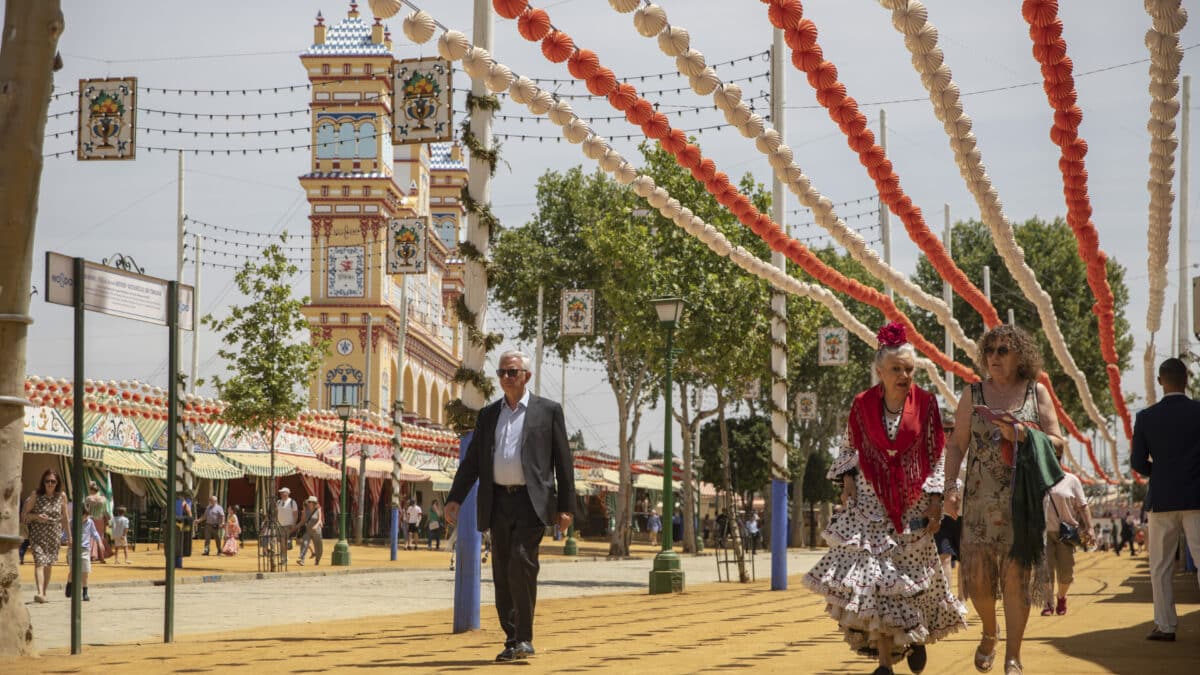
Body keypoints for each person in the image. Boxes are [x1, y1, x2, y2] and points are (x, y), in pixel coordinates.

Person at [804, 322, 967, 675]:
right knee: (878, 581)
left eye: (909, 369)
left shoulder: (926, 404)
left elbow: (936, 452)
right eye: (897, 369)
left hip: (915, 501)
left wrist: (938, 498)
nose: (905, 375)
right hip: (870, 502)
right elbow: (848, 446)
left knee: (914, 578)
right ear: (880, 371)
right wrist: (847, 481)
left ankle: (918, 637)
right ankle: (883, 663)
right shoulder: (861, 405)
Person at [944, 324, 1066, 675]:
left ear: (1020, 356)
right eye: (990, 350)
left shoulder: (1035, 392)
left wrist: (1026, 433)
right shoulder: (973, 393)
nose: (994, 357)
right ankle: (989, 631)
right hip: (980, 502)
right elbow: (956, 444)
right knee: (980, 582)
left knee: (1017, 580)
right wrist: (950, 487)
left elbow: (1058, 442)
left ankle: (1013, 656)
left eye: (1003, 350)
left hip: (1021, 502)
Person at [444, 350, 575, 663]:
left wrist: (566, 507)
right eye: (502, 372)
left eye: (512, 372)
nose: (505, 377)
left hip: (532, 502)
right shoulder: (489, 415)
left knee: (521, 562)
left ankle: (524, 637)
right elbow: (473, 461)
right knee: (502, 571)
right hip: (498, 501)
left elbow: (563, 461)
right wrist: (455, 498)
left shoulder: (548, 411)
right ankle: (512, 638)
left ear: (526, 376)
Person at [1130, 357, 1200, 642]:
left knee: (1160, 567)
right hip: (1197, 497)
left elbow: (1137, 461)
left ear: (1160, 381)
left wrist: (1158, 473)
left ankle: (1166, 625)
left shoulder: (1146, 417)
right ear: (1187, 380)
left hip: (1162, 499)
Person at [1040, 470, 1092, 616]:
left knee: (1066, 573)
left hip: (1066, 534)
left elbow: (1083, 505)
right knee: (1046, 571)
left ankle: (1061, 597)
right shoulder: (1037, 477)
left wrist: (1090, 528)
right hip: (1043, 533)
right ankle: (1048, 604)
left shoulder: (1071, 480)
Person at [22, 468, 70, 603]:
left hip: (54, 534)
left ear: (57, 483)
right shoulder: (36, 495)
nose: (50, 484)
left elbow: (65, 518)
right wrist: (37, 516)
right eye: (47, 481)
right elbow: (25, 515)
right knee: (39, 562)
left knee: (49, 564)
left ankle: (44, 592)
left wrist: (69, 537)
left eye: (53, 481)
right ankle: (39, 592)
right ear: (43, 482)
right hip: (37, 534)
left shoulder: (62, 496)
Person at [66, 512, 104, 602]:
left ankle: (85, 592)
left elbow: (95, 533)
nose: (86, 517)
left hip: (85, 549)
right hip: (73, 549)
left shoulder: (90, 522)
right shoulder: (72, 522)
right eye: (85, 515)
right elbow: (64, 535)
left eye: (88, 515)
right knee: (73, 571)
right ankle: (69, 584)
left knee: (85, 572)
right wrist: (67, 540)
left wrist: (99, 542)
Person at [83, 480, 109, 563]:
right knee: (100, 537)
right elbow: (105, 511)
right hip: (100, 519)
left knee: (90, 536)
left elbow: (85, 510)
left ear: (91, 490)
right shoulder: (103, 499)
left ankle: (91, 555)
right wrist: (107, 520)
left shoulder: (88, 498)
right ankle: (102, 556)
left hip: (90, 518)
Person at [297, 496, 323, 566]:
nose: (308, 503)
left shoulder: (318, 509)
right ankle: (301, 559)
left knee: (318, 547)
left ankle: (317, 560)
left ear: (314, 503)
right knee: (304, 543)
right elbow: (304, 520)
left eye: (310, 502)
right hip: (308, 530)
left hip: (316, 531)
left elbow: (320, 520)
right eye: (308, 502)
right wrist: (297, 526)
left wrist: (316, 525)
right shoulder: (306, 509)